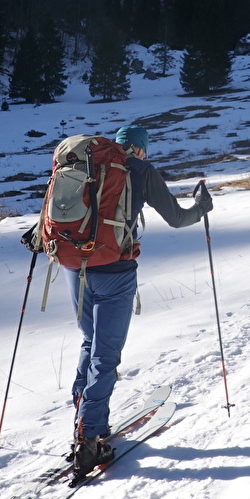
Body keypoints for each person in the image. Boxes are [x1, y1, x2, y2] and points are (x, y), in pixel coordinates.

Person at [67, 122, 212, 474]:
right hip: (115, 272)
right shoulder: (141, 170)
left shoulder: (86, 166)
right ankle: (90, 438)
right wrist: (201, 206)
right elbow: (177, 218)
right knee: (106, 354)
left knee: (90, 341)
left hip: (77, 268)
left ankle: (83, 411)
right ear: (142, 149)